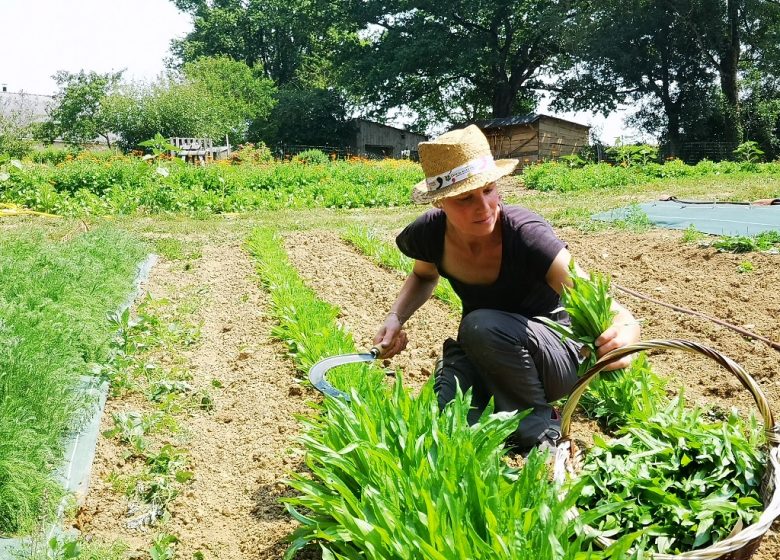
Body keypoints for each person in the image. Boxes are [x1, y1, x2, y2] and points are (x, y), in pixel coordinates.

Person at [373, 125, 640, 453]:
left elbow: (590, 294)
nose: (483, 207)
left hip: (555, 358)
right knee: (445, 415)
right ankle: (497, 411)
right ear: (440, 202)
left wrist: (625, 328)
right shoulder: (430, 234)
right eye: (465, 198)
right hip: (489, 351)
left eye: (488, 190)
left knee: (480, 325)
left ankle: (541, 428)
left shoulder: (526, 235)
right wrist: (395, 318)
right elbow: (424, 276)